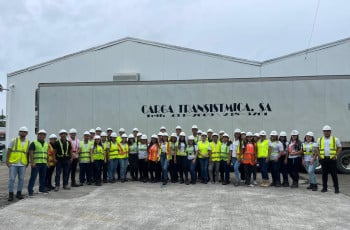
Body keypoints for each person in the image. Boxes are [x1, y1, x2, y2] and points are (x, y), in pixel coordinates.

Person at [6, 126, 30, 201]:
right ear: (19, 132)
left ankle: (19, 193)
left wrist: (27, 162)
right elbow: (9, 151)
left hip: (23, 163)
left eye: (24, 132)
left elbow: (27, 153)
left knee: (21, 179)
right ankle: (11, 194)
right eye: (22, 131)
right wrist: (7, 161)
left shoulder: (28, 142)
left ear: (27, 133)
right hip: (13, 163)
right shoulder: (14, 140)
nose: (23, 133)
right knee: (12, 179)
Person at [316, 125, 342, 193]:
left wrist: (336, 155)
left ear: (330, 132)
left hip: (332, 159)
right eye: (325, 131)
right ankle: (324, 188)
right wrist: (319, 156)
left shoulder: (335, 139)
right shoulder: (320, 139)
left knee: (334, 174)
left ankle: (336, 188)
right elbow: (316, 148)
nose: (326, 132)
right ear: (323, 132)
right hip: (323, 159)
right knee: (324, 174)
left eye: (328, 131)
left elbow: (339, 148)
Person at [28, 129, 49, 196]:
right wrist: (32, 162)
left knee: (43, 177)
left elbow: (47, 153)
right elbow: (31, 153)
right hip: (36, 163)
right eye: (40, 134)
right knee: (33, 177)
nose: (41, 136)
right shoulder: (34, 143)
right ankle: (30, 191)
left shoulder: (46, 144)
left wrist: (47, 162)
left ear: (45, 136)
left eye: (43, 135)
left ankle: (41, 189)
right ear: (38, 135)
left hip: (43, 163)